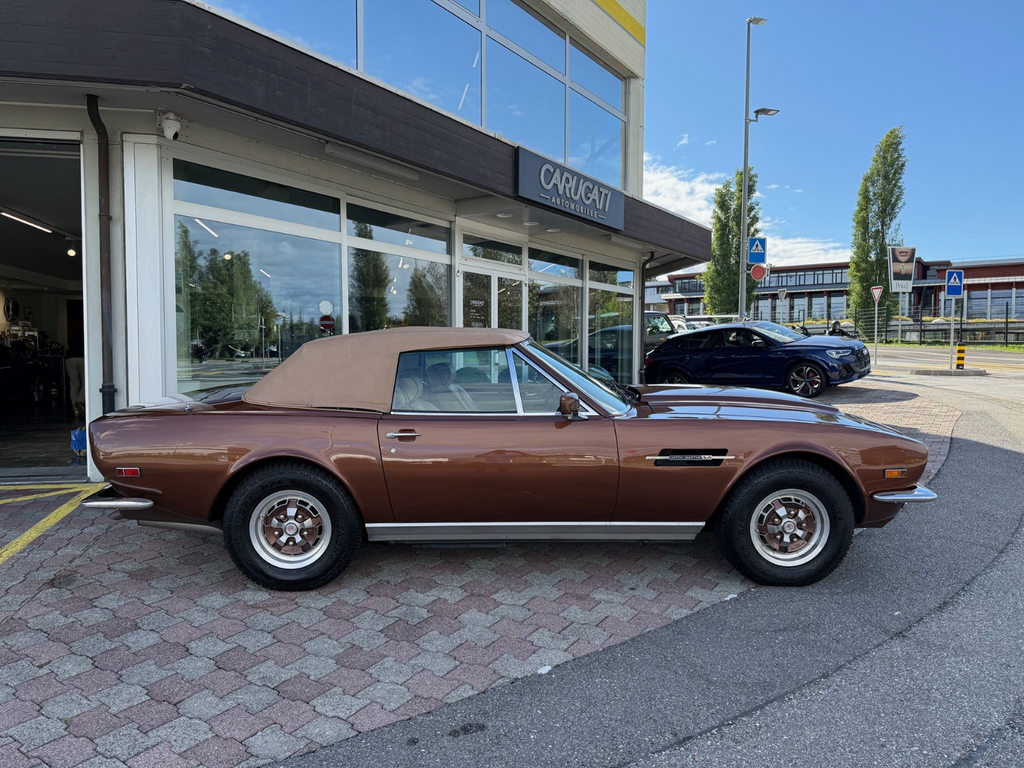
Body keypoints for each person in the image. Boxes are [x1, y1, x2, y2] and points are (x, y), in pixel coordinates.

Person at [65, 333, 85, 419]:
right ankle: (80, 401)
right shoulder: (85, 335)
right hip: (82, 358)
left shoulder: (71, 337)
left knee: (74, 385)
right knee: (86, 384)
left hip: (70, 358)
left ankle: (76, 411)